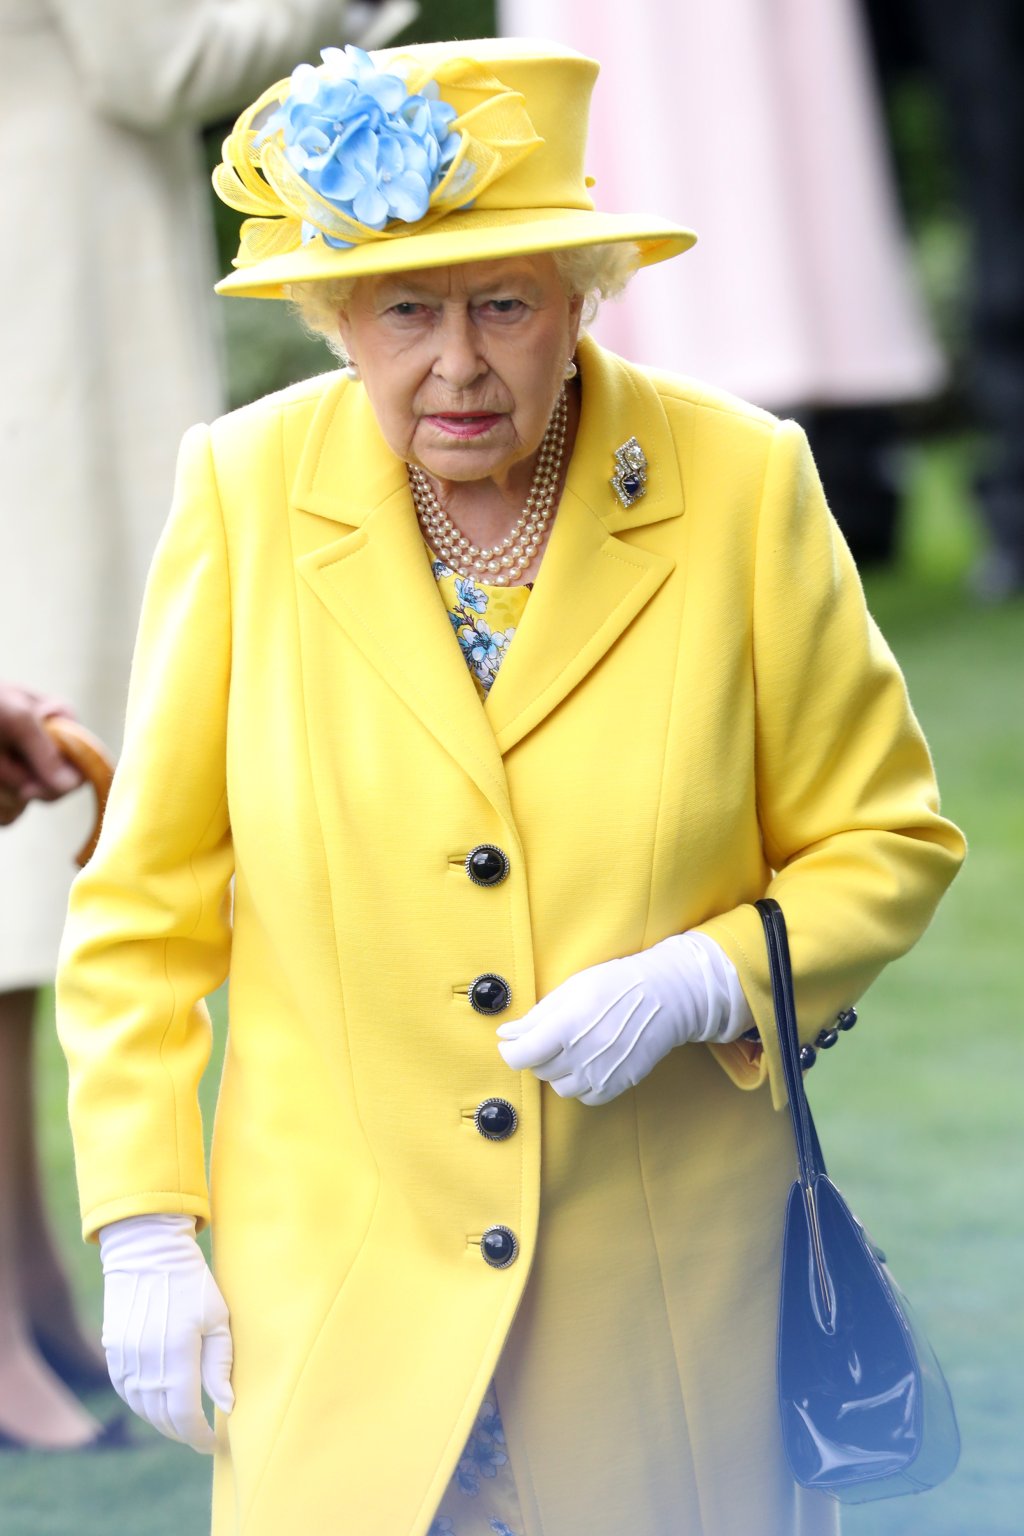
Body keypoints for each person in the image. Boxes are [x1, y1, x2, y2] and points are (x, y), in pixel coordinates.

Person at [56, 37, 965, 1536]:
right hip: (340, 1293)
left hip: (662, 1312)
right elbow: (143, 917)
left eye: (505, 303)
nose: (459, 362)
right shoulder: (240, 490)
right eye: (406, 308)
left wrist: (702, 978)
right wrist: (146, 1222)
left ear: (585, 297)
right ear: (333, 315)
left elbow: (886, 838)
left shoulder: (743, 485)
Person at [0, 0, 415, 1452]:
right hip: (41, 289)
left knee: (48, 781)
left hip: (60, 246)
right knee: (39, 788)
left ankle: (27, 1284)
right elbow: (153, 56)